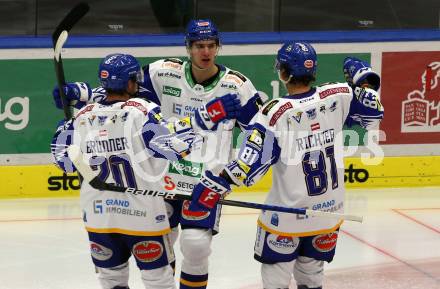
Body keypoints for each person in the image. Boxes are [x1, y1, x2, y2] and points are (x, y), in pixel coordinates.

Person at [52, 19, 263, 289]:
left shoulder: (238, 86)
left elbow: (258, 134)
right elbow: (119, 93)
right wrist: (79, 93)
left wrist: (229, 176)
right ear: (188, 47)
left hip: (206, 181)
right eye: (199, 46)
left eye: (211, 45)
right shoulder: (162, 71)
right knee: (160, 245)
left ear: (218, 47)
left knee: (195, 245)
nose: (206, 52)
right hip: (161, 176)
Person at [190, 42, 384, 289]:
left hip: (287, 219)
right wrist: (364, 80)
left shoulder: (275, 113)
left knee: (276, 281)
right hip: (328, 214)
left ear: (283, 72)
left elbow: (247, 166)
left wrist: (216, 184)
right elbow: (373, 111)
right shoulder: (339, 94)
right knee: (312, 278)